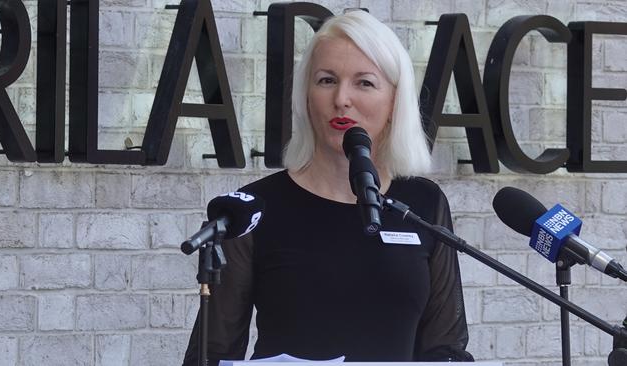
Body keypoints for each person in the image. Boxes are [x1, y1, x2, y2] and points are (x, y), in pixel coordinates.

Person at [183, 10, 473, 365]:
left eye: (364, 83)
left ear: (395, 100)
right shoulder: (254, 210)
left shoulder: (422, 203)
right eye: (326, 80)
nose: (341, 99)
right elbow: (211, 353)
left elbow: (446, 349)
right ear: (306, 96)